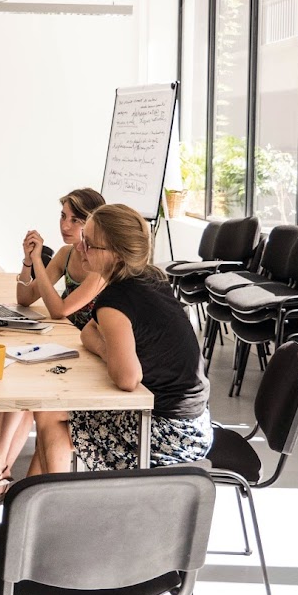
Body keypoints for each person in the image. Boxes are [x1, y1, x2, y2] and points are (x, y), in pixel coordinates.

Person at [32, 203, 212, 474]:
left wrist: (110, 355)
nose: (80, 247)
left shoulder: (115, 300)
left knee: (50, 418)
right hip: (196, 421)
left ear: (115, 254)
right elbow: (87, 332)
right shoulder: (151, 279)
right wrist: (111, 351)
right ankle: (30, 496)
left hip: (170, 433)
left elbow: (128, 379)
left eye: (90, 244)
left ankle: (54, 506)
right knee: (52, 411)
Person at [0, 188, 108, 512]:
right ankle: (0, 471)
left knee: (29, 391)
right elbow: (26, 298)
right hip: (67, 345)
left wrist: (39, 262)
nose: (66, 226)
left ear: (94, 223)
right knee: (21, 386)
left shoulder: (99, 265)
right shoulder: (67, 254)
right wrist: (28, 262)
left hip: (90, 353)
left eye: (75, 219)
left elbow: (60, 310)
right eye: (63, 216)